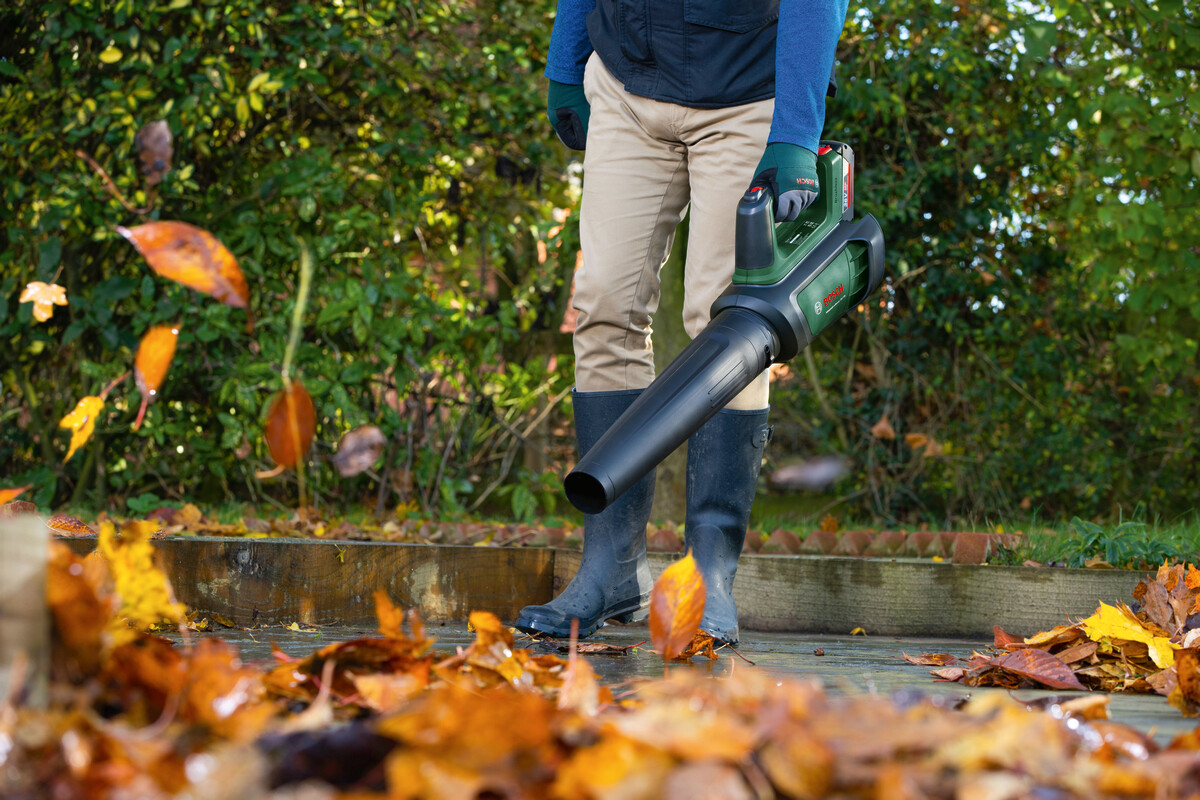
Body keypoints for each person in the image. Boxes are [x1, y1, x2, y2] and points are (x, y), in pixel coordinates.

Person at [515, 0, 849, 644]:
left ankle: (708, 573)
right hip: (626, 87)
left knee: (726, 324)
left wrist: (796, 134)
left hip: (746, 95)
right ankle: (610, 570)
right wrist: (566, 61)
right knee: (603, 306)